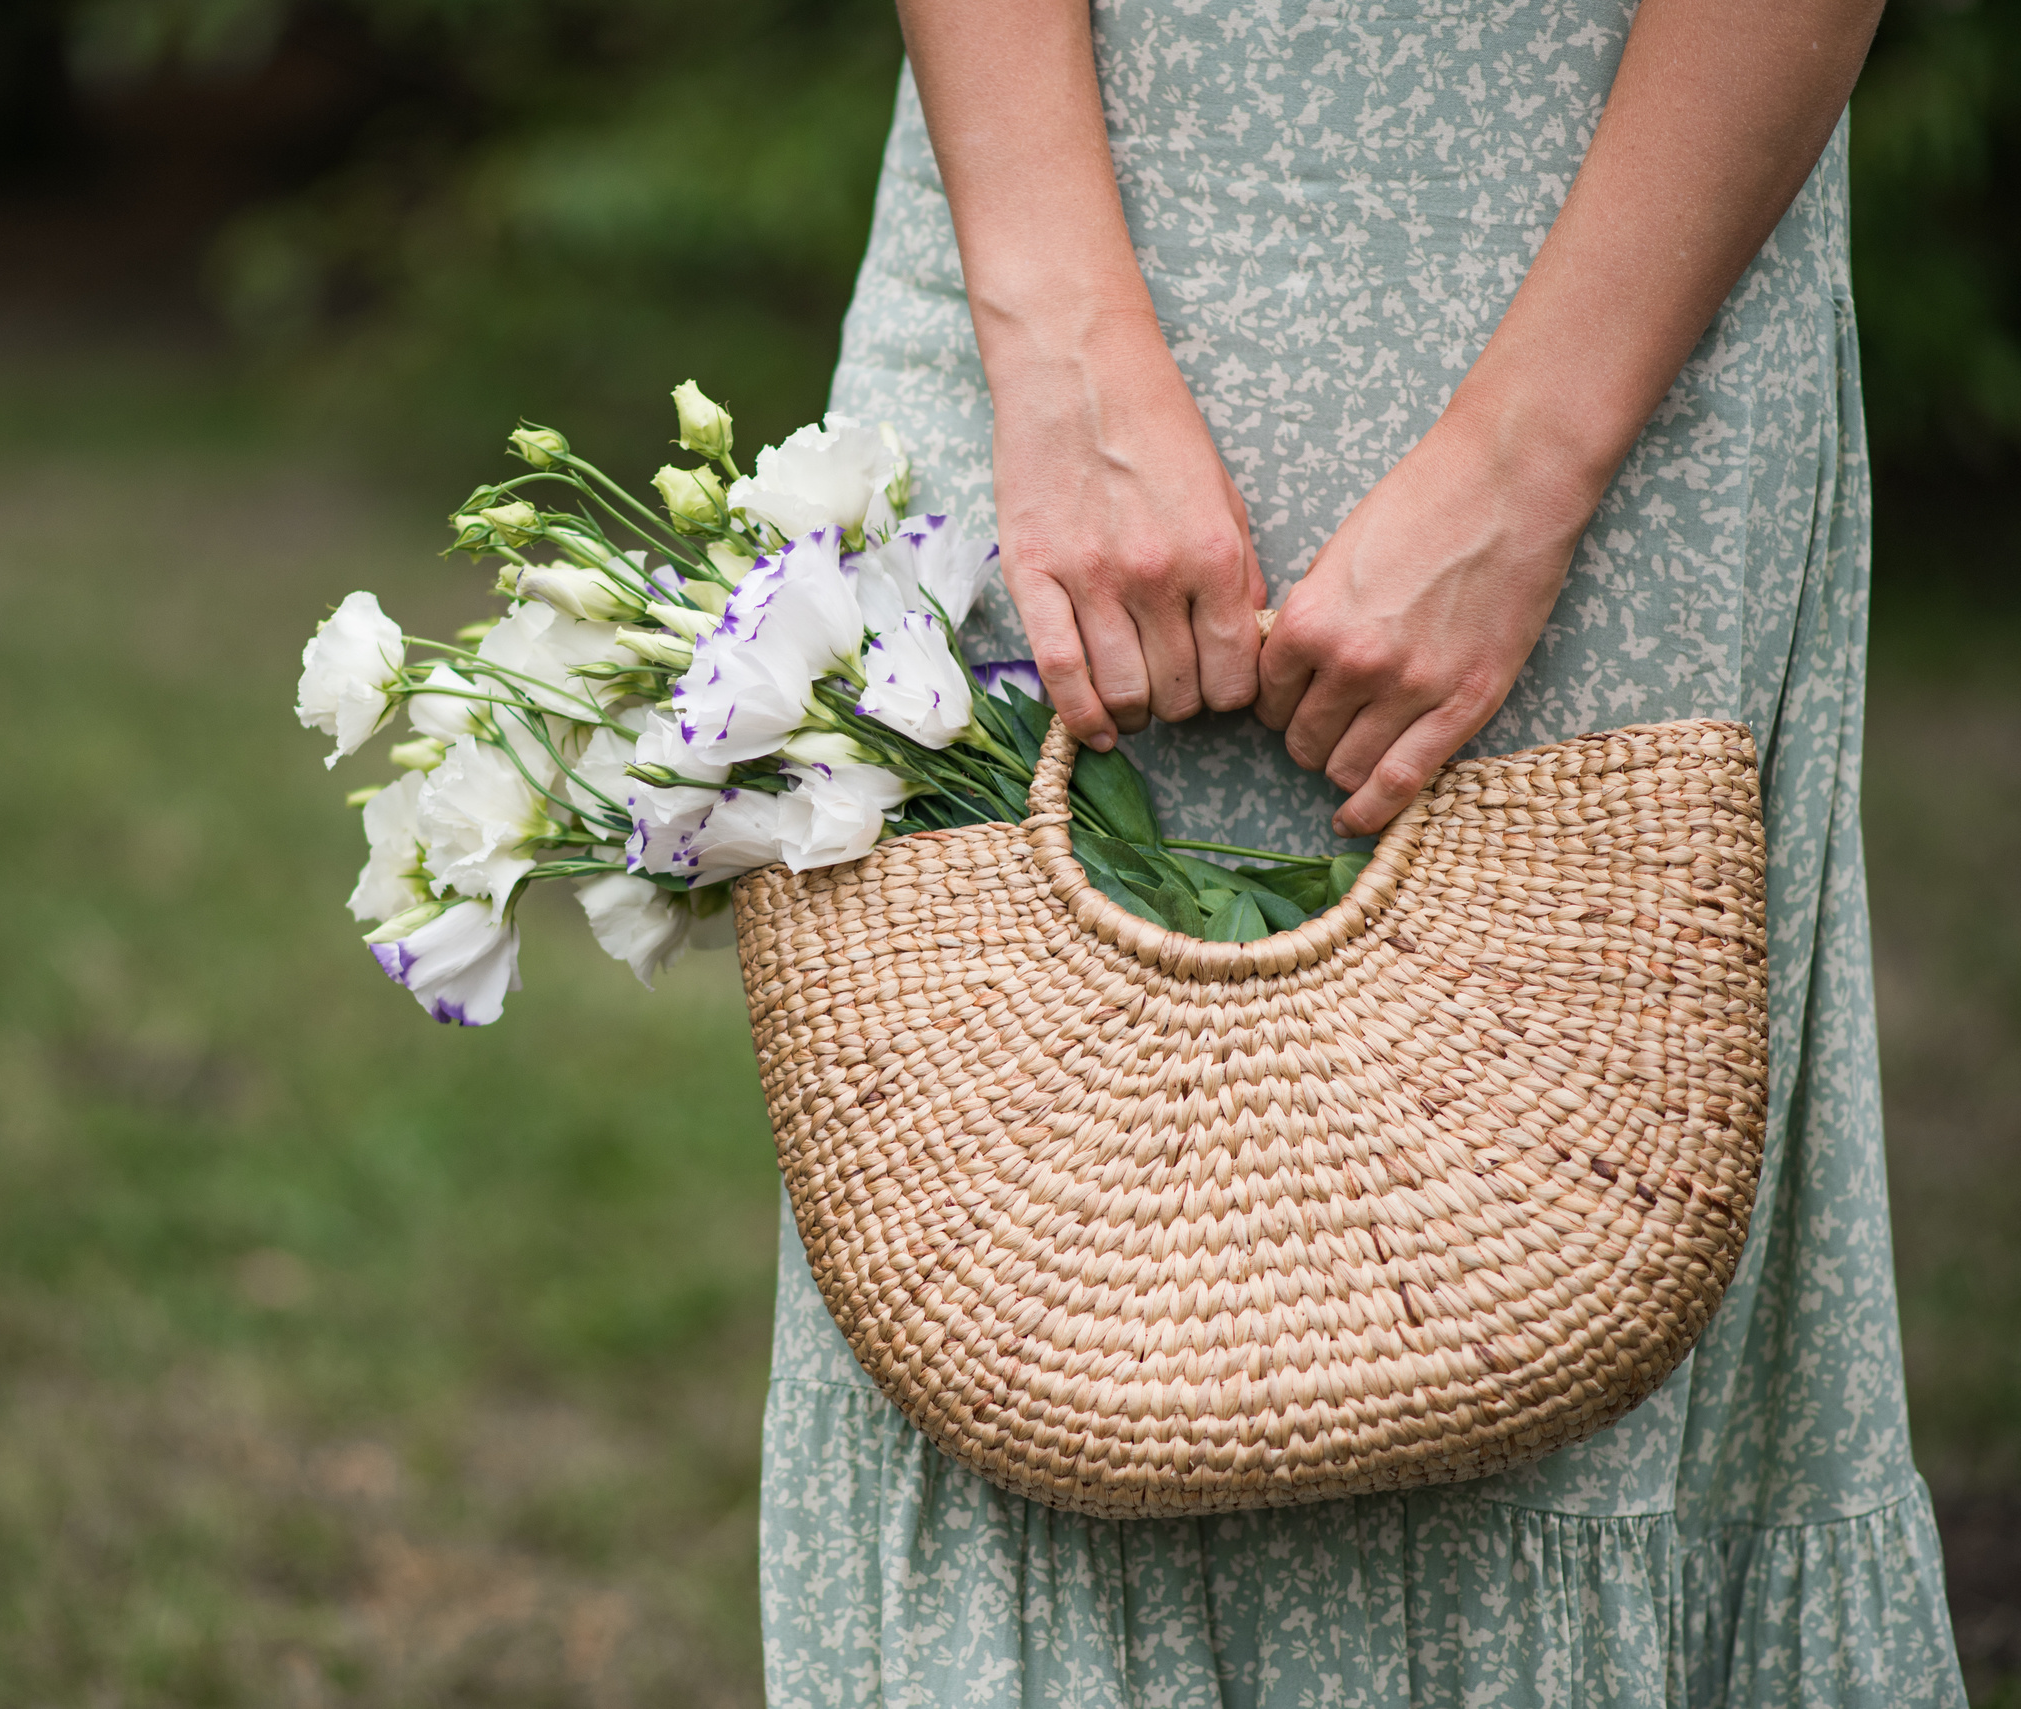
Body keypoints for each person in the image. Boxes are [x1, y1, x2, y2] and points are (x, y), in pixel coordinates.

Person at [757, 1, 1971, 1703]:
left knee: (1563, 1285)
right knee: (994, 1301)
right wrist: (1060, 342)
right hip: (1038, 202)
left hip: (1616, 285)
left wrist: (1524, 468)